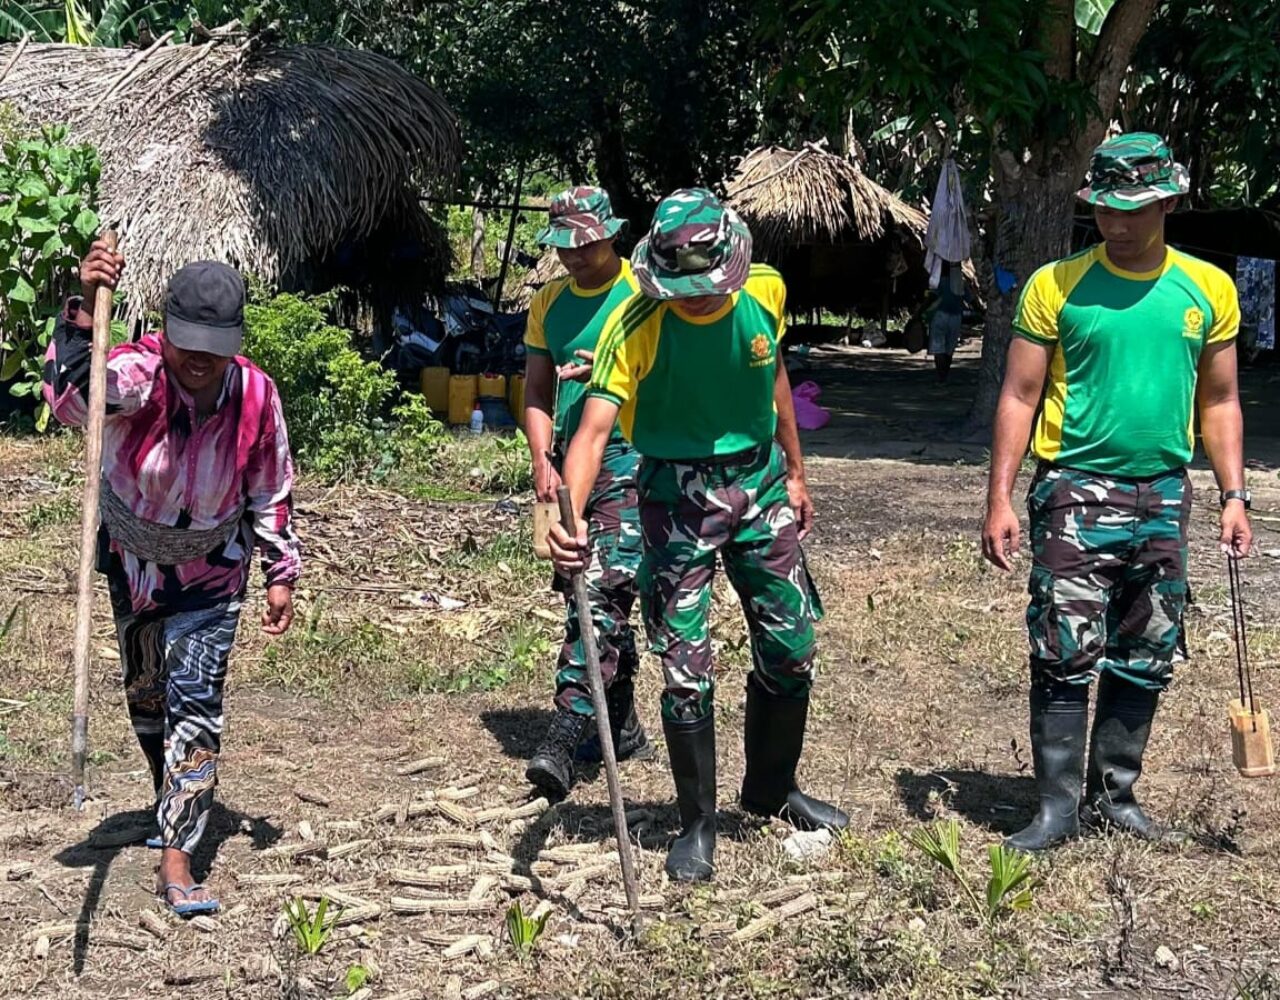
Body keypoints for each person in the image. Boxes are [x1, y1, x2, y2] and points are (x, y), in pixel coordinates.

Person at [549, 189, 848, 882]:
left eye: (706, 286)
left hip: (760, 484)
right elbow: (593, 431)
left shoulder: (766, 291)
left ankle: (774, 788)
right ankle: (697, 823)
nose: (695, 298)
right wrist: (567, 519)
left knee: (791, 643)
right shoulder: (636, 322)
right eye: (681, 287)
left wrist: (797, 472)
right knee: (685, 663)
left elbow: (772, 371)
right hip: (675, 499)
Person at [981, 133, 1252, 852]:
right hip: (1075, 490)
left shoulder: (1207, 289)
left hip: (1164, 494)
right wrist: (1000, 498)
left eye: (1132, 210)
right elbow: (1019, 393)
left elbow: (1220, 401)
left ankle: (1116, 794)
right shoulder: (1054, 285)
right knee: (1064, 645)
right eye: (1103, 210)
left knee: (1148, 644)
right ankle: (1056, 807)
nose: (1117, 224)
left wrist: (1233, 493)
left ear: (1167, 201)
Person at [45, 242, 301, 914]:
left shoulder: (255, 394)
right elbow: (71, 402)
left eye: (213, 347)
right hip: (134, 563)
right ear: (167, 332)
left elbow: (271, 487)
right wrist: (78, 320)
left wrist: (281, 569)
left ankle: (177, 851)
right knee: (148, 698)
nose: (198, 359)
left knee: (196, 700)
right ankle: (175, 791)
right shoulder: (136, 372)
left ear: (234, 342)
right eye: (187, 343)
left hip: (213, 570)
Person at [522, 187, 653, 798]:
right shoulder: (548, 302)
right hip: (571, 463)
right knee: (581, 586)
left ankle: (566, 732)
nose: (575, 256)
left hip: (634, 455)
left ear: (610, 235)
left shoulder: (643, 295)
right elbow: (535, 392)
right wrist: (541, 457)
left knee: (601, 586)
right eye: (565, 246)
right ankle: (620, 722)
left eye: (586, 244)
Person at [927, 261, 966, 383]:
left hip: (940, 315)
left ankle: (941, 376)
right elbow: (971, 298)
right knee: (949, 349)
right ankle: (944, 375)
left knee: (939, 349)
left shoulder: (938, 281)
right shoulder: (961, 283)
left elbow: (932, 297)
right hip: (956, 316)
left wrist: (920, 313)